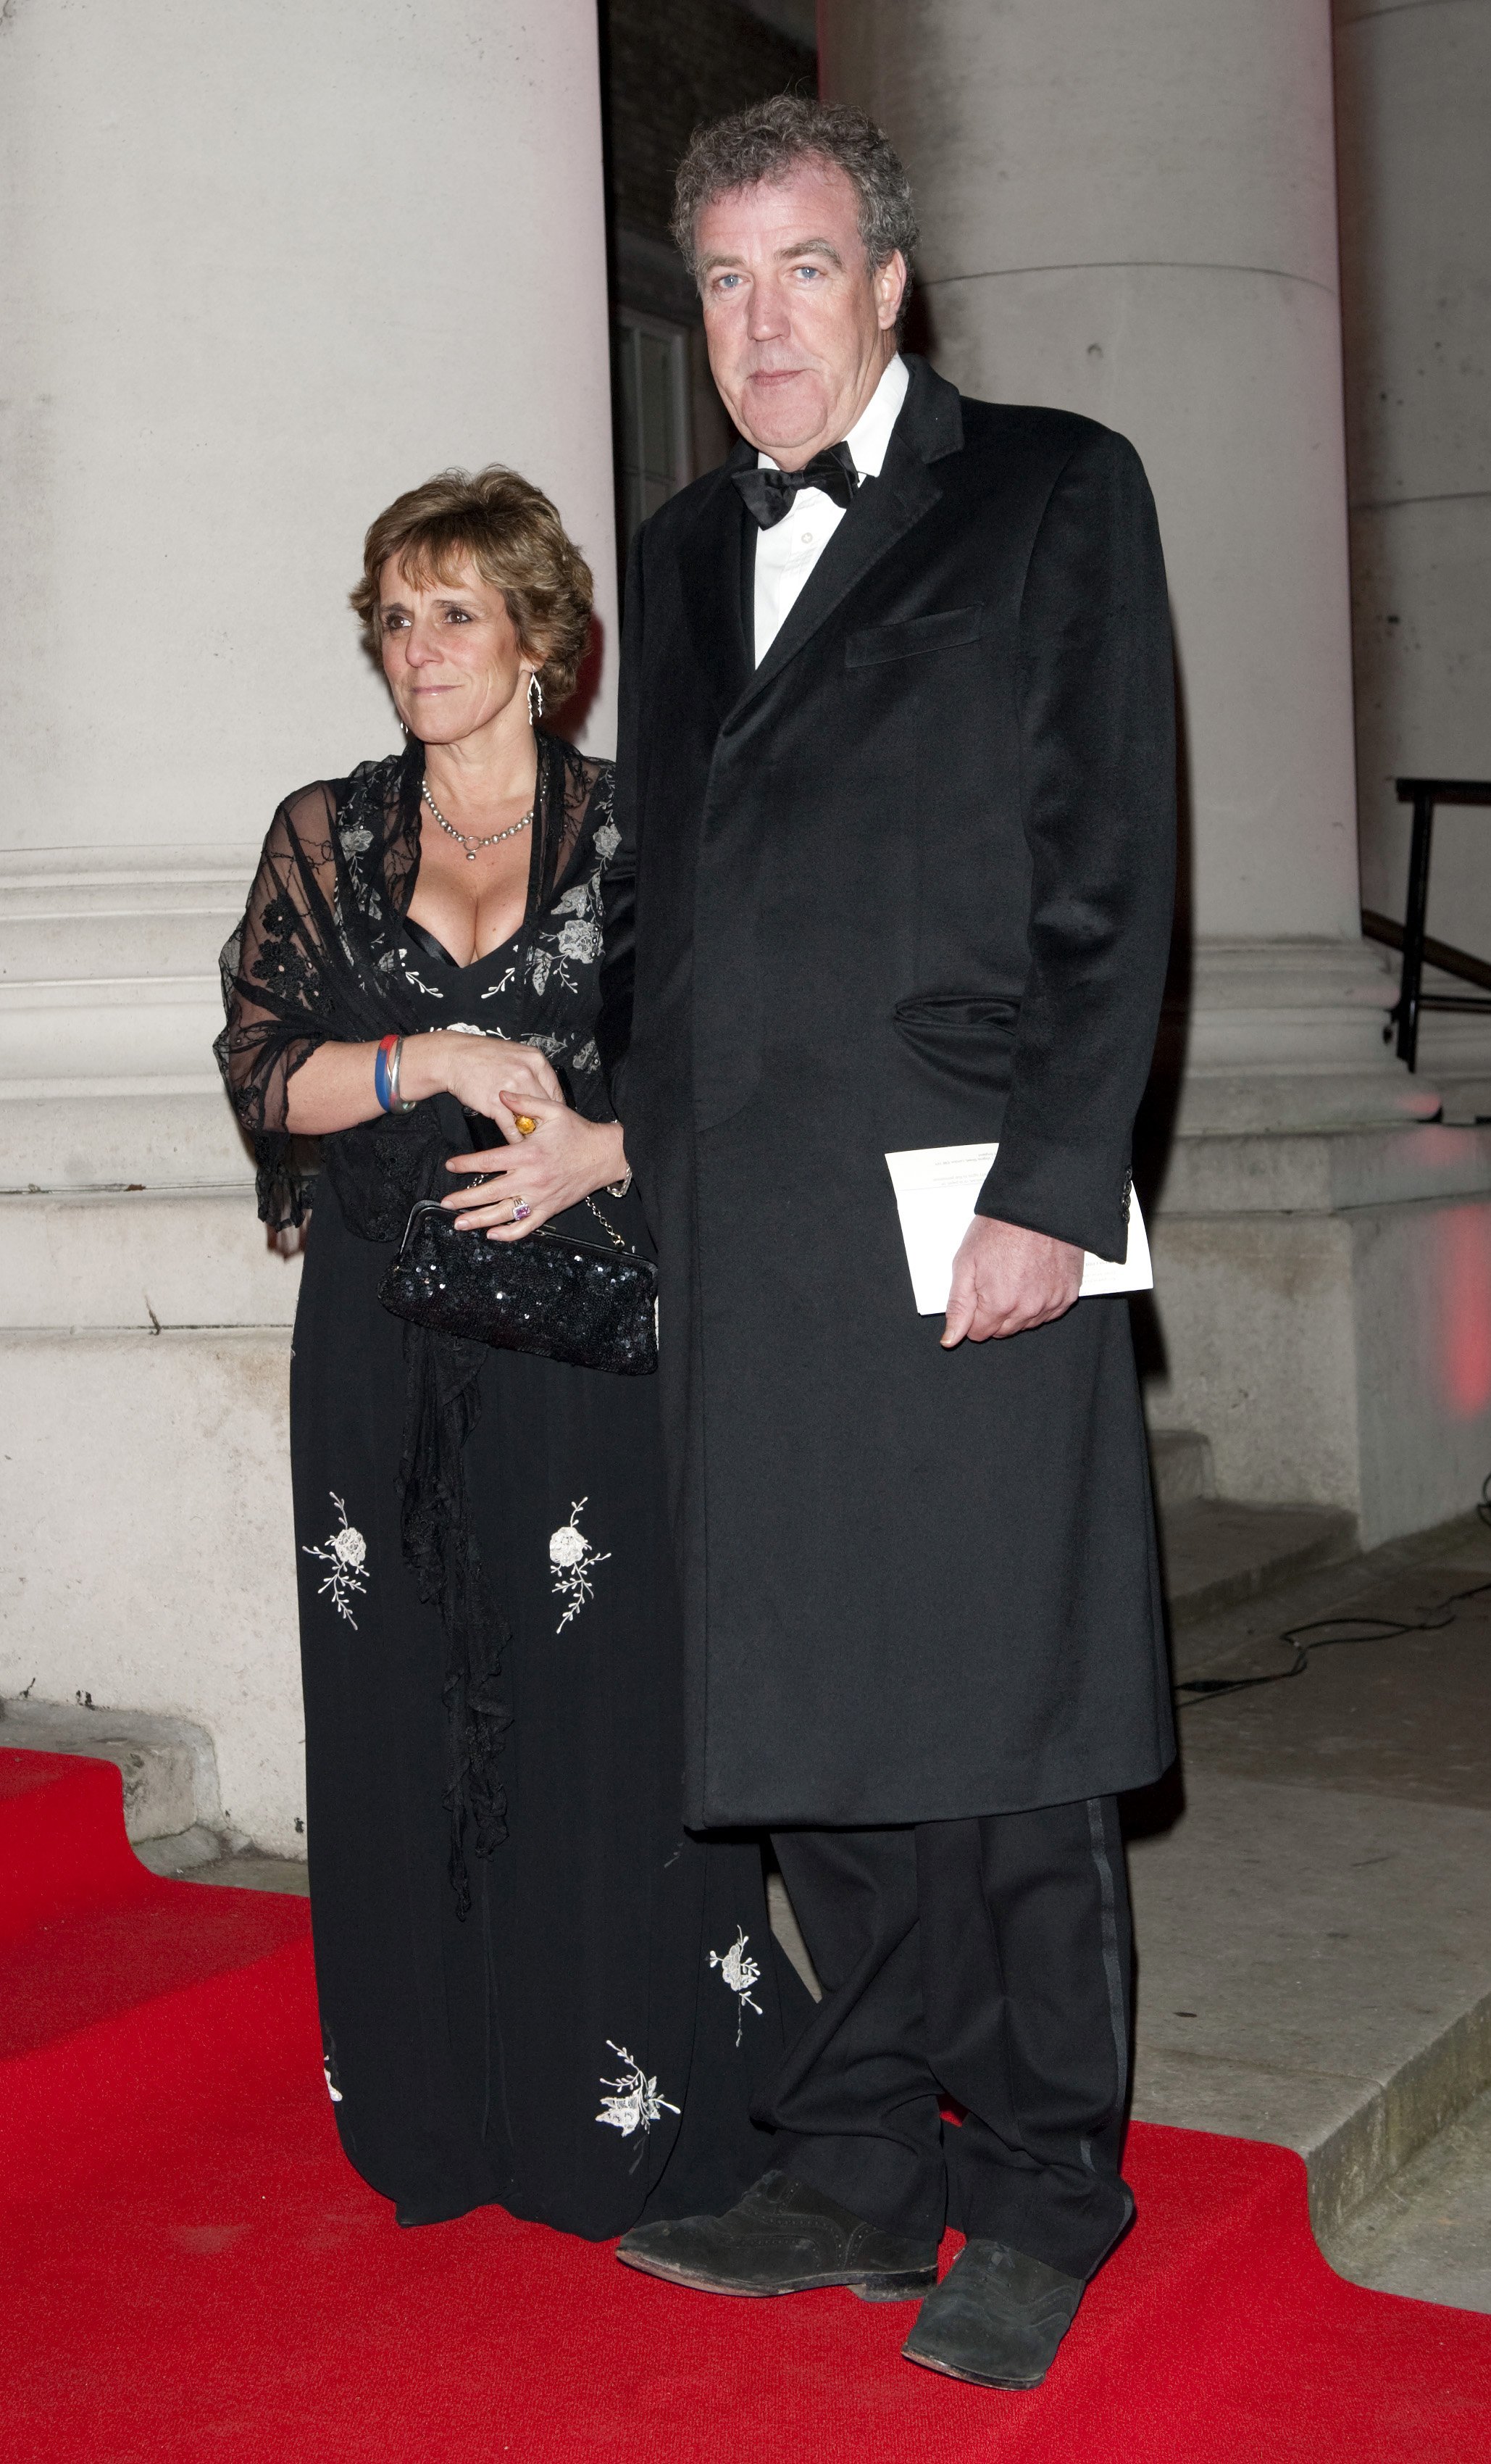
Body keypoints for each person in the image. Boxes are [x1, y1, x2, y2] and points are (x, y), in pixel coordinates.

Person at [600, 99, 1177, 2392]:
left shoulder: (1050, 488)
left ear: (888, 283)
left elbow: (1109, 864)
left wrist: (1059, 1183)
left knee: (1009, 1729)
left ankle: (1042, 2185)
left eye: (804, 267)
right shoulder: (672, 543)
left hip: (969, 1203)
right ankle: (856, 2163)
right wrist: (641, 1148)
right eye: (724, 278)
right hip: (750, 1221)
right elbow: (674, 886)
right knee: (808, 1721)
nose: (762, 319)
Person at [215, 465, 801, 2239]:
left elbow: (733, 1061)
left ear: (544, 639)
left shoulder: (638, 834)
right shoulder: (329, 831)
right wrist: (426, 1061)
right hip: (379, 1337)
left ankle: (610, 2102)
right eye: (394, 616)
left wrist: (601, 1149)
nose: (419, 647)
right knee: (396, 1696)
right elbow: (262, 1068)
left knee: (598, 1709)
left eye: (455, 610)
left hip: (576, 1343)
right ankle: (436, 2107)